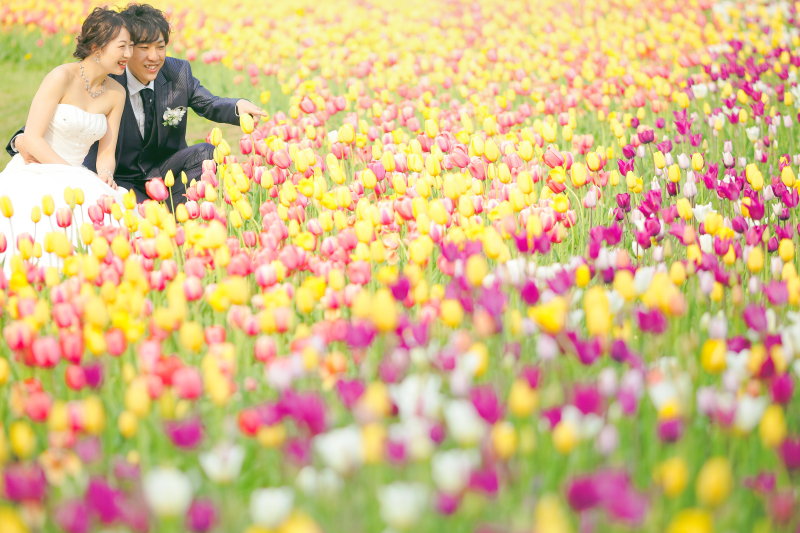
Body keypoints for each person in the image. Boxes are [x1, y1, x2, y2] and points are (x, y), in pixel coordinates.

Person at [6, 3, 266, 210]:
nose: (154, 57)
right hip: (123, 177)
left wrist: (238, 106)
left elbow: (207, 102)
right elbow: (60, 120)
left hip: (164, 168)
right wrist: (21, 141)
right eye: (142, 47)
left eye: (160, 47)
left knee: (207, 153)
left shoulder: (176, 73)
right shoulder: (108, 77)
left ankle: (181, 217)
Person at [0, 7, 132, 271]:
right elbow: (33, 139)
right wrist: (71, 175)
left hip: (79, 173)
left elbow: (106, 152)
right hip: (38, 168)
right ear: (97, 46)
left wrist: (105, 173)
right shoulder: (60, 77)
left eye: (130, 46)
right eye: (122, 47)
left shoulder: (117, 93)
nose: (128, 54)